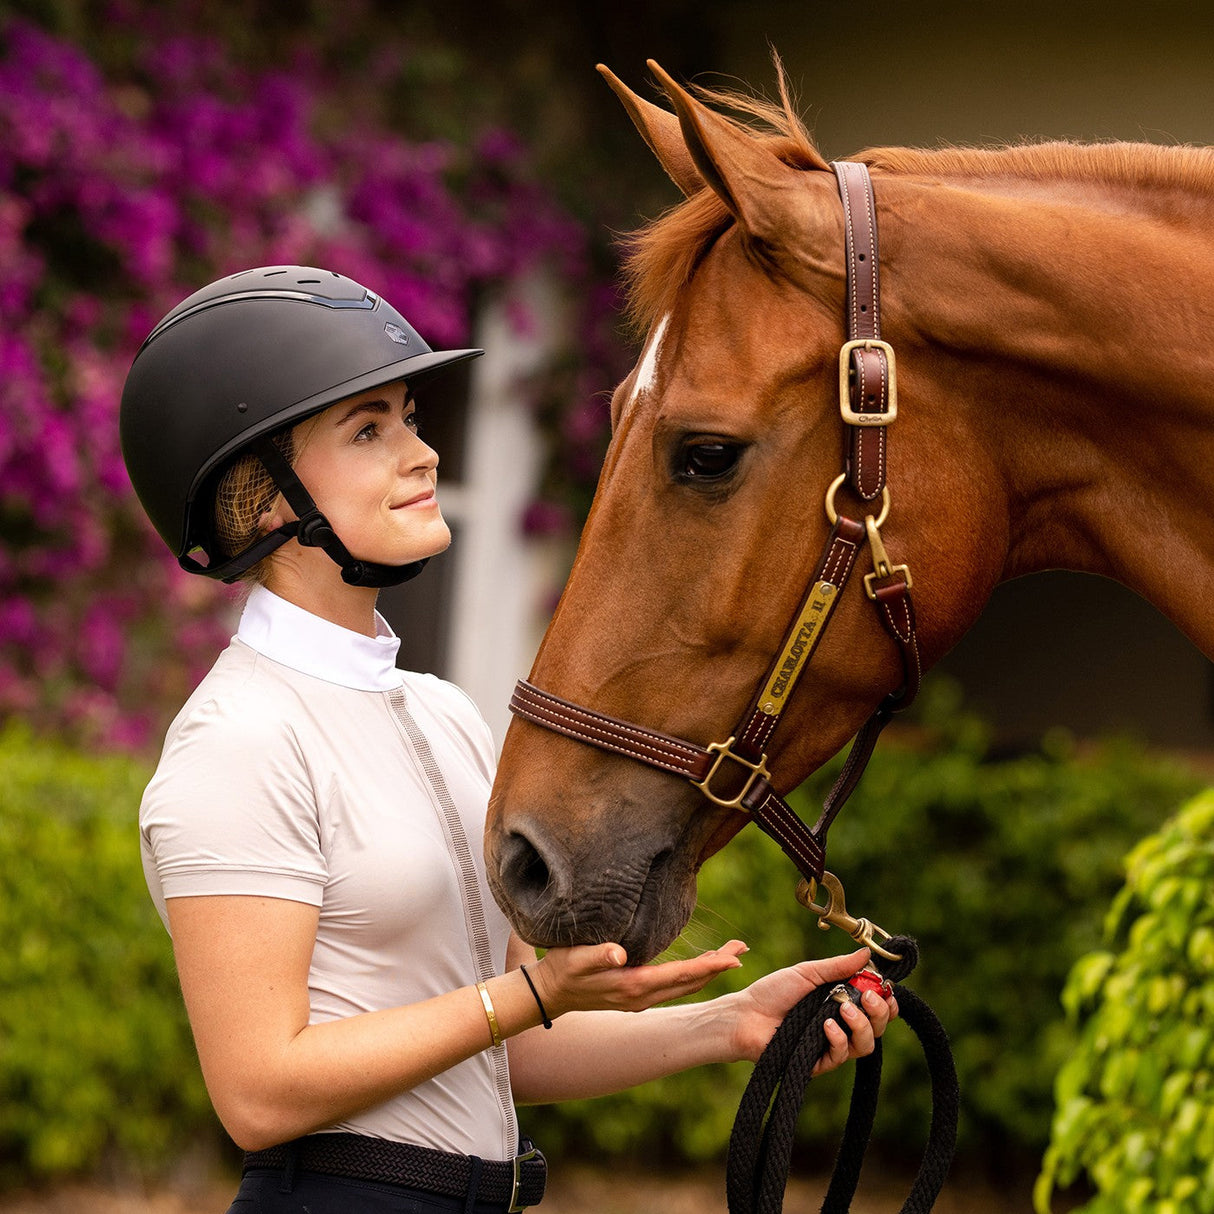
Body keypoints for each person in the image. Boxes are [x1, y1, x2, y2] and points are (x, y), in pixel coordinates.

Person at [120, 265, 897, 1214]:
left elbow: (508, 1046)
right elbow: (258, 1092)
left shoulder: (442, 714)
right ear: (263, 499)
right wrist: (531, 998)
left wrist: (732, 1025)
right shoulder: (238, 741)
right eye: (369, 431)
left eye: (410, 420)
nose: (423, 454)